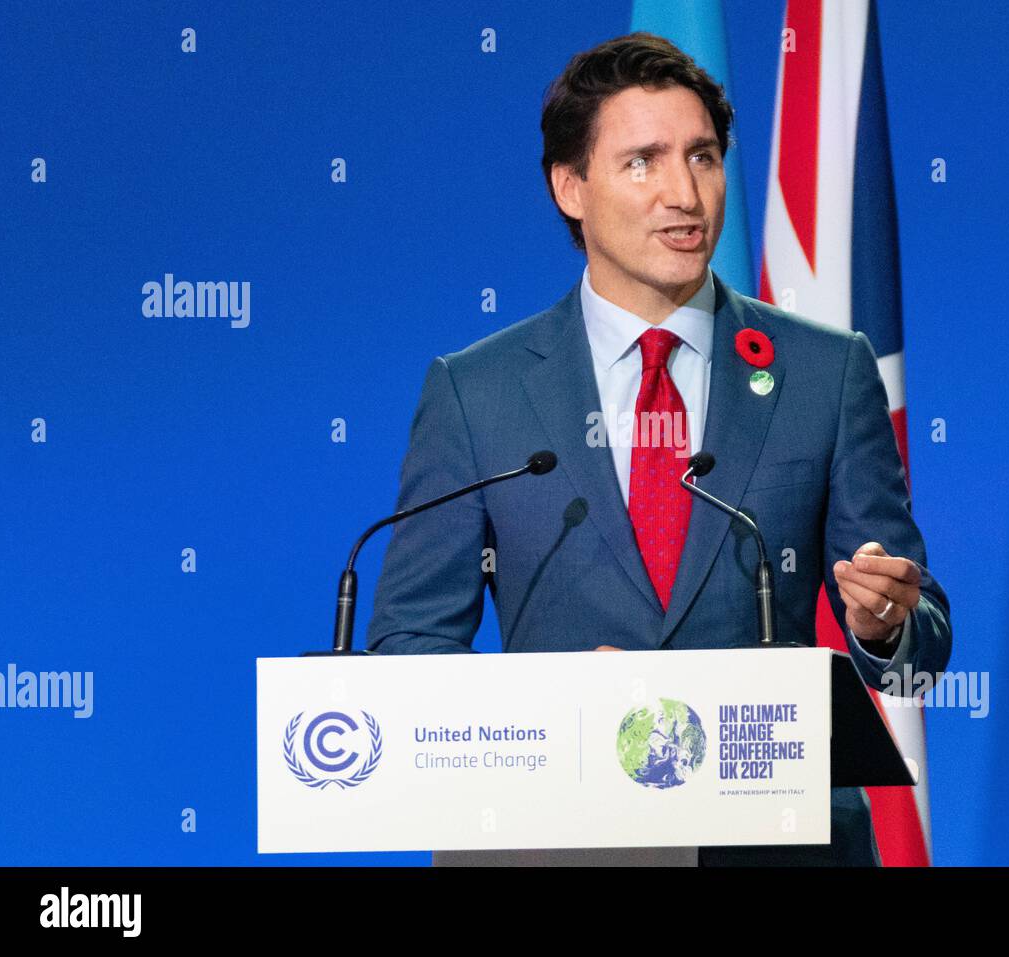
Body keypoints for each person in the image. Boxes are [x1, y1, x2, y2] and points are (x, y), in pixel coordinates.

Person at [365, 32, 951, 866]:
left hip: (775, 842)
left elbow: (919, 640)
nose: (684, 192)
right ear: (571, 187)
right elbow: (409, 654)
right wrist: (562, 705)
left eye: (704, 157)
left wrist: (885, 623)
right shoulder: (477, 392)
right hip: (555, 843)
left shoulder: (826, 371)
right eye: (643, 161)